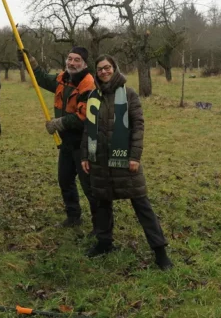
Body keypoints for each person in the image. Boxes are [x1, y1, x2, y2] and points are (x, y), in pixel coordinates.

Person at [80, 54, 173, 269]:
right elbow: (88, 128)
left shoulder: (129, 94)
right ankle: (104, 243)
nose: (104, 71)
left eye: (107, 67)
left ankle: (160, 251)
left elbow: (138, 126)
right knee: (102, 203)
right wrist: (85, 155)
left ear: (114, 68)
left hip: (124, 160)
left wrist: (134, 156)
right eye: (100, 69)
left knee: (142, 204)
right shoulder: (93, 96)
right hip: (99, 160)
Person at [23, 46, 98, 230]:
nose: (72, 63)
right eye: (70, 59)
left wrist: (58, 123)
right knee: (65, 180)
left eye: (77, 60)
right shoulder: (63, 78)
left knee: (90, 187)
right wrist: (30, 62)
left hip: (84, 144)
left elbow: (84, 117)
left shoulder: (89, 84)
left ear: (84, 64)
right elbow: (42, 79)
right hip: (66, 142)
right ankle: (73, 217)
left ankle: (101, 226)